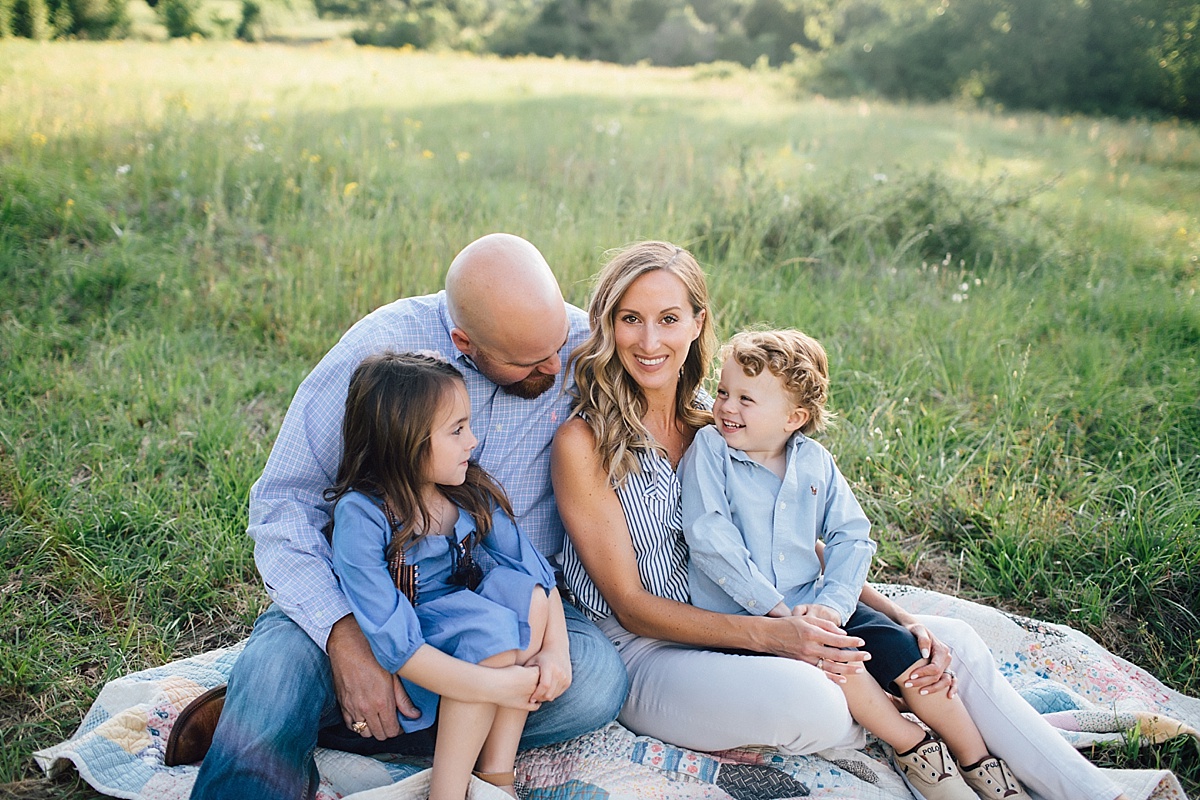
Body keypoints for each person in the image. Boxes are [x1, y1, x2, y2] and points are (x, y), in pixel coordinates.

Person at [552, 240, 1128, 800]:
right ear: (607, 324)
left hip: (758, 615)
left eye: (669, 318)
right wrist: (781, 633)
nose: (650, 340)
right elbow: (630, 606)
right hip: (650, 649)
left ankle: (1088, 792)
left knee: (947, 642)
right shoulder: (587, 441)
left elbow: (795, 540)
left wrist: (899, 617)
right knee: (816, 700)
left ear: (698, 323)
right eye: (631, 319)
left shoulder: (721, 419)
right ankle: (901, 719)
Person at [188, 233, 627, 800]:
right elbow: (283, 505)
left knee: (593, 684)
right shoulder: (380, 353)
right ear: (463, 343)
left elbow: (677, 398)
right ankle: (281, 720)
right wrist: (344, 637)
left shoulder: (576, 343)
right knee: (280, 667)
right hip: (373, 593)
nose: (555, 364)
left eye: (557, 345)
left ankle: (309, 724)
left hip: (505, 599)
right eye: (528, 361)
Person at [679, 329, 1029, 800]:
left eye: (746, 398)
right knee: (840, 663)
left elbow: (851, 537)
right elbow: (710, 540)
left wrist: (833, 605)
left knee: (906, 653)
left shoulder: (815, 462)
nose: (726, 407)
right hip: (748, 617)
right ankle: (921, 753)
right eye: (723, 392)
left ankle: (979, 761)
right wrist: (780, 612)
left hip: (818, 602)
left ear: (793, 417)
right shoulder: (711, 452)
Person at [327, 352, 566, 799]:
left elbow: (535, 571)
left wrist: (557, 653)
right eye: (457, 430)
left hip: (474, 639)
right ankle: (448, 790)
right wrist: (498, 685)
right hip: (413, 656)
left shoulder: (467, 492)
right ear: (404, 440)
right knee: (489, 629)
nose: (472, 441)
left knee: (526, 597)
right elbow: (396, 642)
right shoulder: (364, 515)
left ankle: (496, 774)